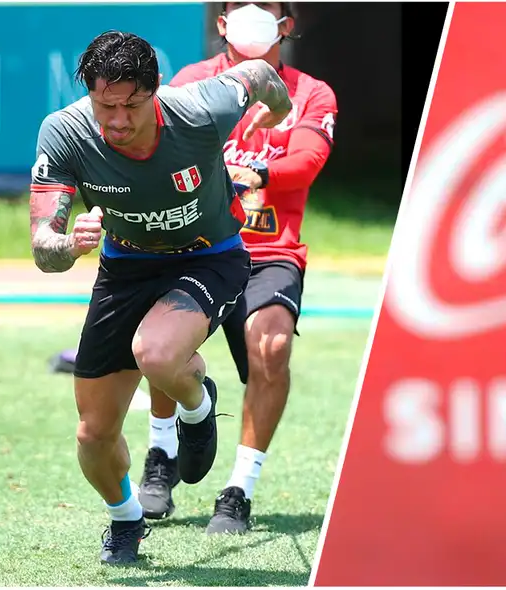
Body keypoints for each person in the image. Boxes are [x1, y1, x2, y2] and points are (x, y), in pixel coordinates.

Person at [28, 30, 291, 565]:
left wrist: (278, 113)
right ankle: (126, 520)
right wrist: (68, 244)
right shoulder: (65, 133)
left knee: (157, 352)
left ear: (156, 91)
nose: (118, 120)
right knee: (93, 435)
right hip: (125, 269)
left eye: (132, 105)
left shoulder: (199, 110)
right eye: (107, 106)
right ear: (90, 95)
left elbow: (262, 74)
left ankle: (197, 408)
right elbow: (42, 248)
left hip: (208, 257)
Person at [131, 1, 337, 535]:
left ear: (286, 24)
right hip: (196, 245)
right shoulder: (192, 82)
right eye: (239, 5)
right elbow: (160, 151)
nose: (251, 13)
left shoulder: (312, 92)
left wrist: (255, 172)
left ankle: (238, 489)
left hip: (270, 252)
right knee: (164, 344)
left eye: (266, 6)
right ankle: (161, 454)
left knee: (271, 348)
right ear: (220, 22)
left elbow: (308, 161)